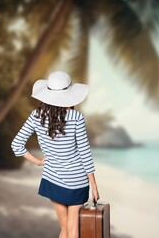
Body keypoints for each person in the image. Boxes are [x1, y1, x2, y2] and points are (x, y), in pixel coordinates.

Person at [11, 71, 99, 238]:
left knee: (64, 228)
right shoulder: (76, 117)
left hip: (52, 179)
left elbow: (16, 144)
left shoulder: (36, 116)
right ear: (69, 94)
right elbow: (85, 152)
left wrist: (37, 162)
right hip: (77, 181)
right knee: (74, 229)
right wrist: (94, 185)